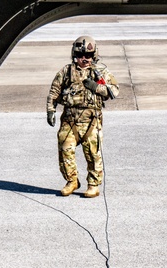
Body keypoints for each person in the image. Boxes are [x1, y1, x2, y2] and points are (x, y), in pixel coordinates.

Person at [46, 35, 119, 198]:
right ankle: (71, 181)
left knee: (93, 153)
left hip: (91, 121)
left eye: (88, 56)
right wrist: (51, 110)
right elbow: (54, 90)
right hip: (70, 120)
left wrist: (96, 87)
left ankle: (93, 185)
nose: (84, 59)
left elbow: (114, 91)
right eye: (80, 56)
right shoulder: (66, 71)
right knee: (65, 149)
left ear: (94, 56)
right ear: (74, 55)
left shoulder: (100, 72)